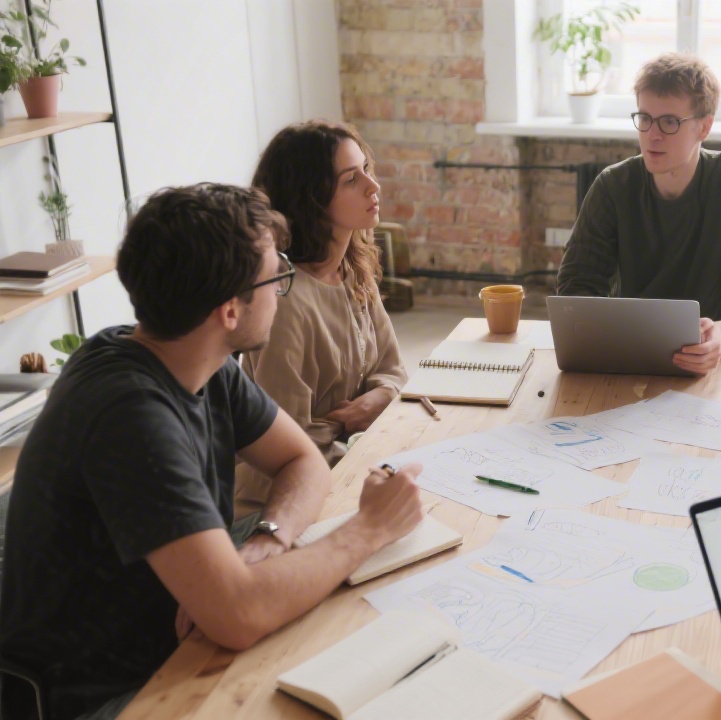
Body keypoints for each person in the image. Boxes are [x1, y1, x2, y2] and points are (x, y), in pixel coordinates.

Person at [0, 184, 424, 720]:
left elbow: (303, 461)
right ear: (229, 310)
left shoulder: (194, 357)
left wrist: (271, 538)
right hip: (103, 695)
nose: (282, 289)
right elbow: (238, 615)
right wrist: (369, 529)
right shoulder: (130, 414)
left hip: (177, 637)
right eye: (277, 276)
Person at [557, 52, 721, 375]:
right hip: (626, 354)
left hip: (710, 359)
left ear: (704, 127)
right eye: (645, 118)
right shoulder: (613, 185)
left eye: (669, 122)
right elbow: (575, 289)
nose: (653, 134)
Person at [238, 121, 407, 510]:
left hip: (349, 463)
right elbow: (287, 444)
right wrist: (356, 431)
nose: (373, 186)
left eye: (366, 168)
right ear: (310, 197)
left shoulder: (352, 268)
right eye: (351, 179)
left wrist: (379, 398)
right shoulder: (285, 301)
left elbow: (393, 368)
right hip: (285, 500)